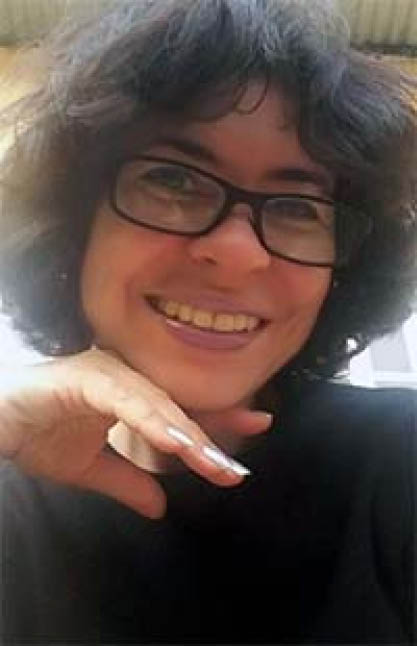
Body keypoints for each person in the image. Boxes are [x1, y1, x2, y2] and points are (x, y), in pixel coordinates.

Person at [0, 0, 416, 643]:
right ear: (74, 227)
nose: (239, 252)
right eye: (173, 180)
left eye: (298, 208)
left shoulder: (400, 458)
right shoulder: (11, 487)